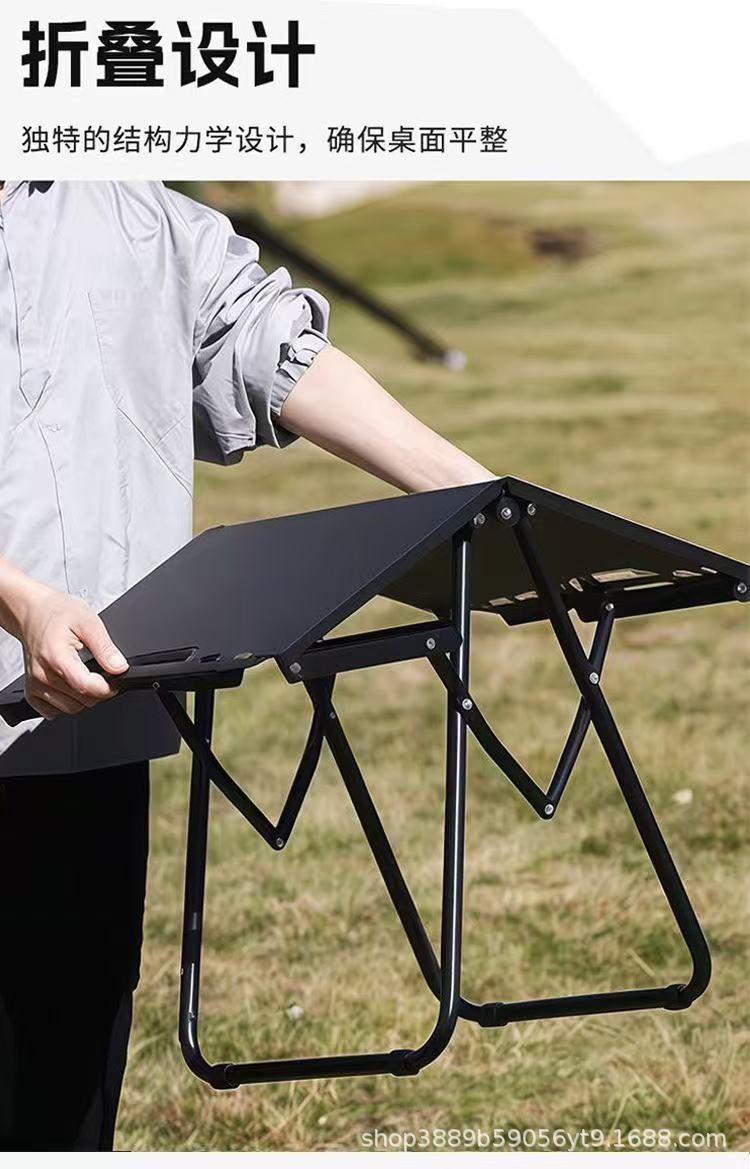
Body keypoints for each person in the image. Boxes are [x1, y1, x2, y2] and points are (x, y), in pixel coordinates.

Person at [0, 179, 493, 1150]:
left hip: (83, 732)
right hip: (39, 664)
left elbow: (260, 337)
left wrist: (478, 496)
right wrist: (21, 601)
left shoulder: (125, 206)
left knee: (61, 1087)